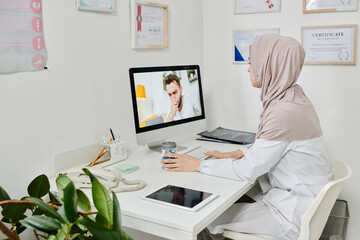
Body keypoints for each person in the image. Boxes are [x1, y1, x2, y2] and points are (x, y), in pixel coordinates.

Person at [161, 35, 332, 240]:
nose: (249, 68)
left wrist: (198, 165)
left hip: (289, 214)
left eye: (252, 62)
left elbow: (247, 171)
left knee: (204, 217)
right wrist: (239, 151)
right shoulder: (294, 98)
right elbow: (278, 146)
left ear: (269, 66)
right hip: (301, 202)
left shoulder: (284, 111)